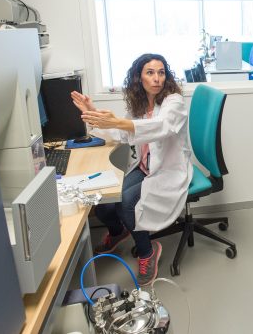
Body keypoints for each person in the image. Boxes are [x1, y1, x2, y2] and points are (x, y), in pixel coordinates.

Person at [71, 53, 193, 286]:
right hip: (145, 166)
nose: (157, 78)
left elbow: (161, 127)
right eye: (150, 73)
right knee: (106, 201)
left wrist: (116, 121)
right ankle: (118, 232)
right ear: (139, 78)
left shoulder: (173, 101)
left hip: (168, 170)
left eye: (161, 72)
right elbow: (124, 133)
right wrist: (93, 113)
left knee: (126, 202)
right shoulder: (140, 104)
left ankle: (148, 251)